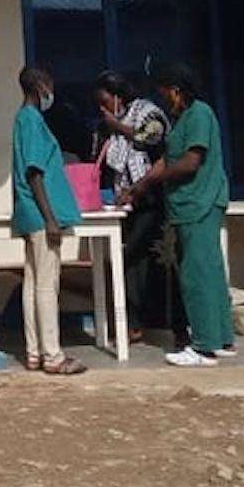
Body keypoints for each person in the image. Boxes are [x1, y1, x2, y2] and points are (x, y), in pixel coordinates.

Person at [135, 60, 237, 367]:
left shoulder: (200, 114)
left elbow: (191, 162)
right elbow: (167, 160)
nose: (164, 99)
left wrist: (158, 179)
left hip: (200, 202)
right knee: (209, 269)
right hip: (188, 205)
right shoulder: (182, 120)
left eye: (165, 92)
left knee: (197, 273)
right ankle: (221, 339)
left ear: (177, 91)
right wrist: (140, 184)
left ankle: (204, 345)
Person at [12, 64, 86, 376]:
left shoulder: (24, 119)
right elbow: (35, 171)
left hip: (31, 215)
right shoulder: (31, 120)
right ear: (41, 85)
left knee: (32, 283)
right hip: (41, 216)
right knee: (46, 285)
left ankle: (34, 352)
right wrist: (51, 218)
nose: (51, 92)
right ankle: (53, 355)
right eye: (49, 85)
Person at [96, 70, 171, 341]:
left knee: (138, 258)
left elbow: (153, 137)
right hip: (126, 201)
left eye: (106, 101)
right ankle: (134, 321)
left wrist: (119, 128)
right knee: (131, 261)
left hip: (149, 196)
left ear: (118, 95)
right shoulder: (114, 120)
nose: (103, 108)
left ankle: (142, 321)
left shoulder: (146, 111)